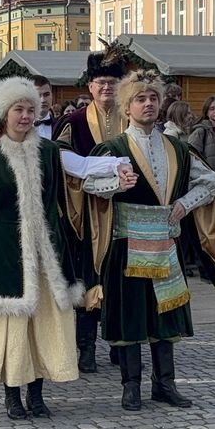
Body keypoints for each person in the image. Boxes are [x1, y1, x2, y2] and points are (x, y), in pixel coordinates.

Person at [84, 71, 215, 411]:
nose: (148, 104)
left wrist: (183, 204)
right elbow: (87, 185)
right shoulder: (113, 149)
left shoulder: (177, 148)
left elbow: (211, 182)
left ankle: (164, 384)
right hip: (127, 243)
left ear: (161, 103)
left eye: (153, 98)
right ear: (127, 106)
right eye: (140, 99)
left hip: (165, 243)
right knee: (132, 317)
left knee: (164, 319)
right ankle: (130, 386)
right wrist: (116, 186)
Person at [0, 78, 83, 419]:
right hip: (3, 247)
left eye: (31, 110)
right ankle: (13, 394)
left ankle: (37, 394)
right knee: (12, 324)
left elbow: (82, 168)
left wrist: (117, 168)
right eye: (18, 110)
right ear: (4, 114)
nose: (25, 116)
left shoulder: (50, 151)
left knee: (41, 322)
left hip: (43, 251)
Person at [54, 50, 128, 374]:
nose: (107, 87)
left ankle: (118, 343)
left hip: (125, 213)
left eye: (113, 82)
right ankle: (85, 347)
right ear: (90, 86)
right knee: (87, 279)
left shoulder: (131, 120)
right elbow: (61, 161)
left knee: (122, 280)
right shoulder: (73, 122)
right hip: (85, 215)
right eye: (101, 82)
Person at [188, 95, 215, 171]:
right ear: (206, 112)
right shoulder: (200, 131)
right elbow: (192, 157)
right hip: (208, 177)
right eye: (212, 109)